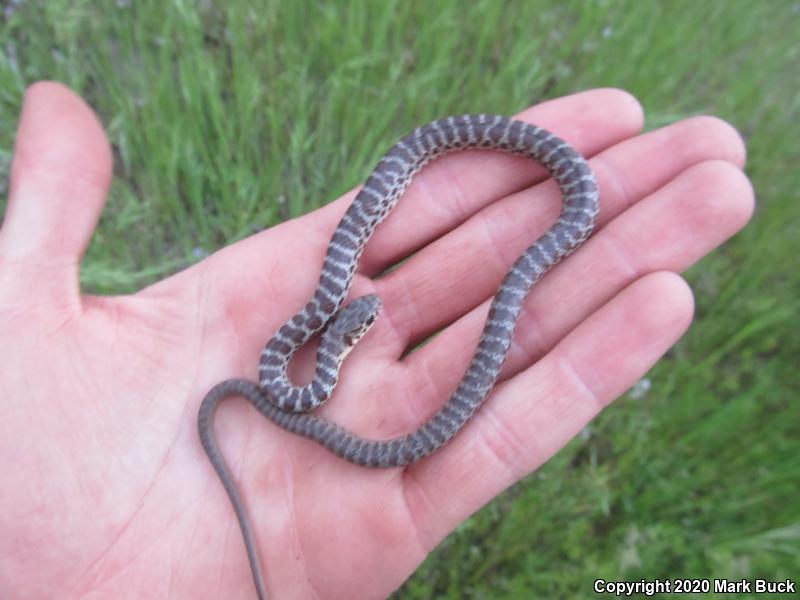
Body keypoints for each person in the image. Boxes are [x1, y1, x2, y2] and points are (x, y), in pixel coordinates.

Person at [0, 82, 753, 598]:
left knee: (531, 270)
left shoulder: (309, 353)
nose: (358, 313)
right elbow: (312, 362)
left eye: (352, 320)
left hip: (333, 351)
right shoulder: (303, 363)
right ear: (344, 339)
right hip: (304, 382)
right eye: (355, 321)